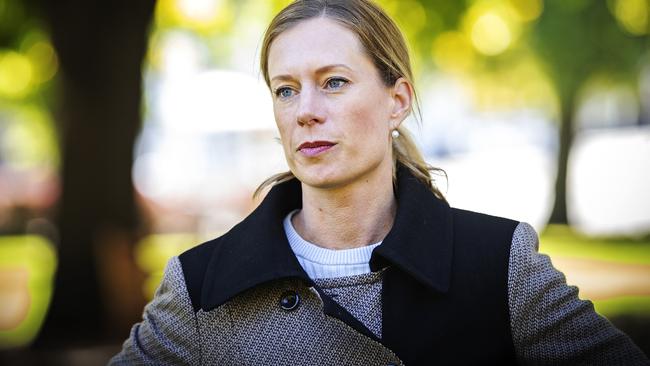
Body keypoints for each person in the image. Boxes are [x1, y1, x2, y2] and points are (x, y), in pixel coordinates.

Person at [110, 0, 649, 364]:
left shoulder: (498, 264)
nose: (306, 112)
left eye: (334, 82)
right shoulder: (202, 285)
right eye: (286, 90)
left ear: (398, 100)